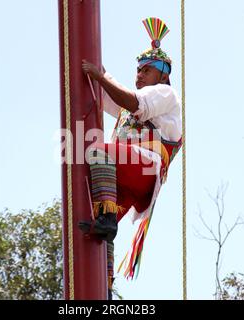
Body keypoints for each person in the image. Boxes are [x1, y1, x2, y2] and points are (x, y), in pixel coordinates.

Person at [80, 18, 182, 299]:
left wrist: (100, 77)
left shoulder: (166, 94)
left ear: (162, 76)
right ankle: (106, 286)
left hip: (146, 166)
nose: (139, 74)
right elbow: (111, 96)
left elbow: (131, 101)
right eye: (138, 70)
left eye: (146, 70)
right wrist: (99, 72)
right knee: (96, 225)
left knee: (98, 149)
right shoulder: (135, 102)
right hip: (126, 173)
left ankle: (108, 220)